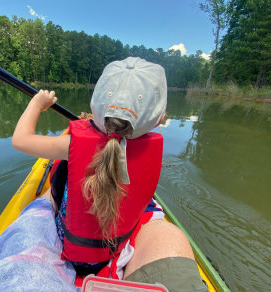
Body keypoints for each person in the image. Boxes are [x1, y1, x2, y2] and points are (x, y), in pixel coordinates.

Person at [11, 57, 208, 291]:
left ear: (96, 105)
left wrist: (36, 104)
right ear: (160, 119)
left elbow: (20, 140)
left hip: (73, 249)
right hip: (118, 246)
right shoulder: (151, 148)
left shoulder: (70, 144)